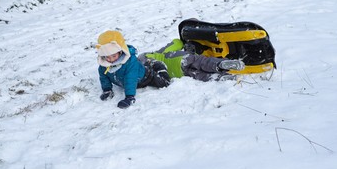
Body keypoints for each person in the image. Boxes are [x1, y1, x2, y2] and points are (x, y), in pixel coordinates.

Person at [96, 31, 245, 109]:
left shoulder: (139, 62)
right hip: (176, 59)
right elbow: (170, 46)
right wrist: (179, 42)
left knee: (195, 74)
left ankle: (220, 77)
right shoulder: (153, 57)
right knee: (200, 61)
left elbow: (129, 78)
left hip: (176, 73)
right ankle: (221, 65)